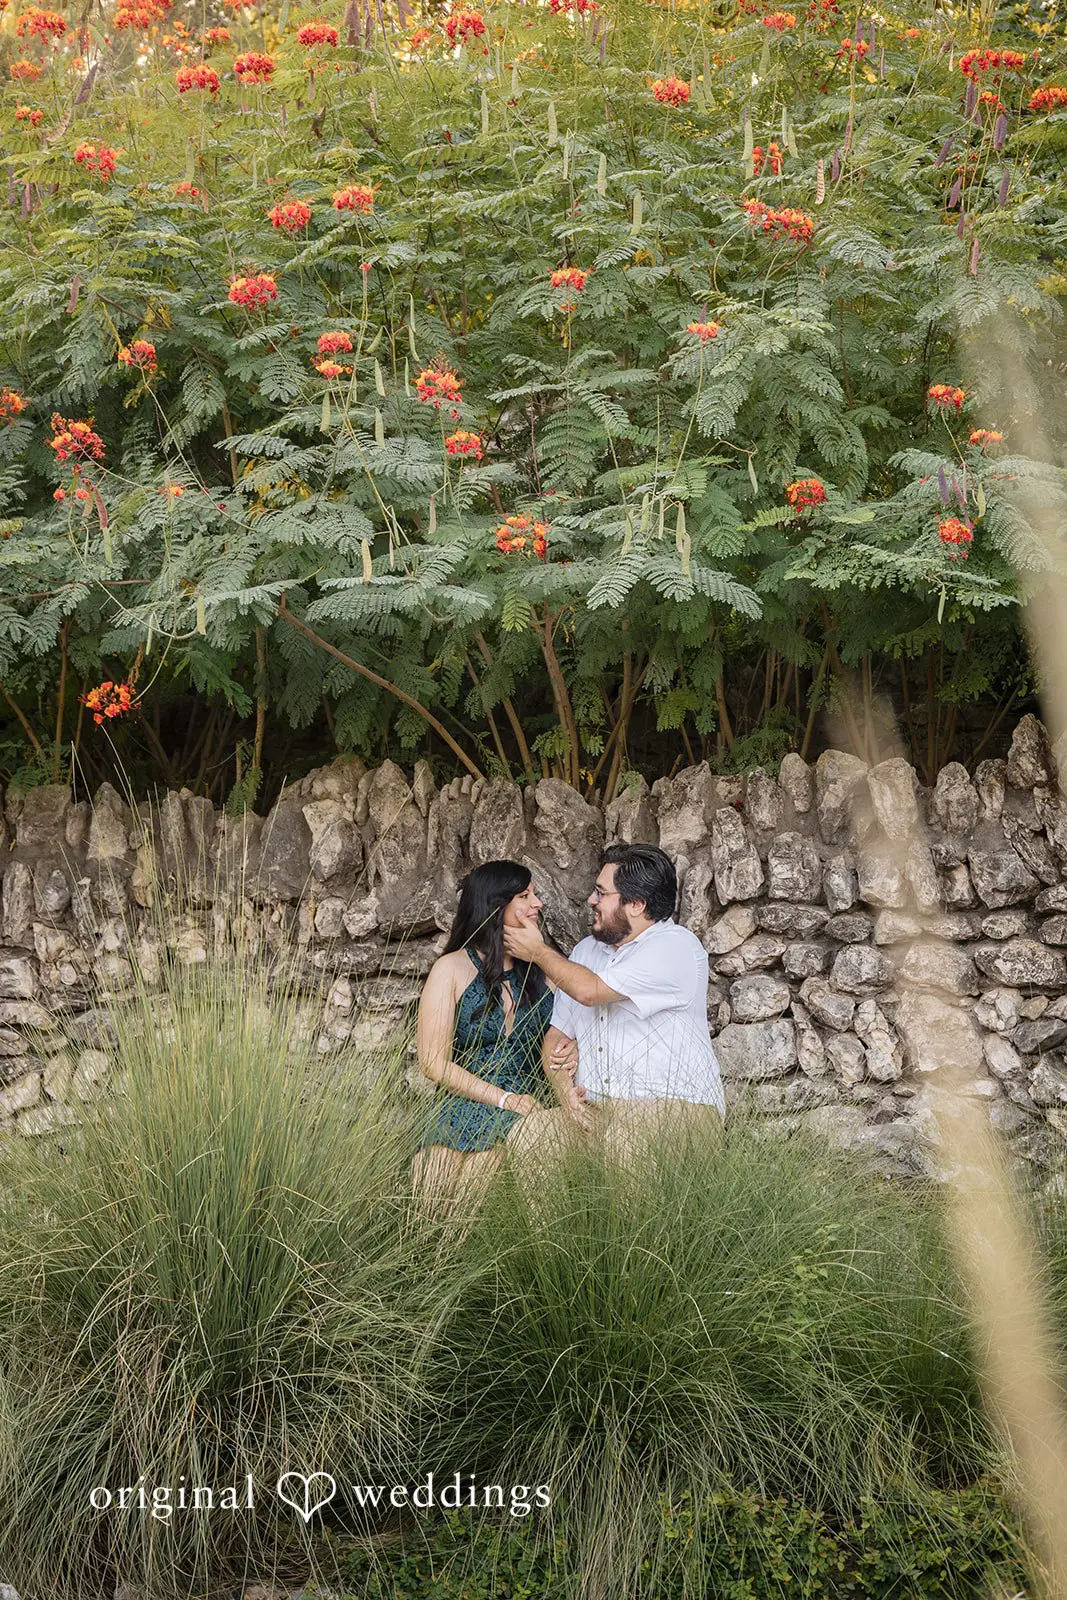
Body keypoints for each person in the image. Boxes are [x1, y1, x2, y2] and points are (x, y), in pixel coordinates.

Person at [502, 844, 725, 1155]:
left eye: (601, 893)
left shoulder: (675, 947)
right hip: (597, 1111)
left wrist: (538, 952)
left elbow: (590, 991)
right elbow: (557, 1036)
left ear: (635, 903)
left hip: (680, 1109)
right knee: (531, 1136)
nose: (591, 900)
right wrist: (564, 1091)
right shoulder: (584, 952)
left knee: (623, 1138)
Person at [413, 859, 567, 1208]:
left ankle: (454, 1258)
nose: (537, 903)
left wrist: (541, 954)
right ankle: (418, 1260)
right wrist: (500, 1098)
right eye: (525, 896)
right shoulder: (450, 969)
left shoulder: (547, 967)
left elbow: (578, 1026)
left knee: (473, 1190)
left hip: (526, 1107)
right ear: (497, 907)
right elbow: (432, 1062)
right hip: (463, 1101)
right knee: (432, 1184)